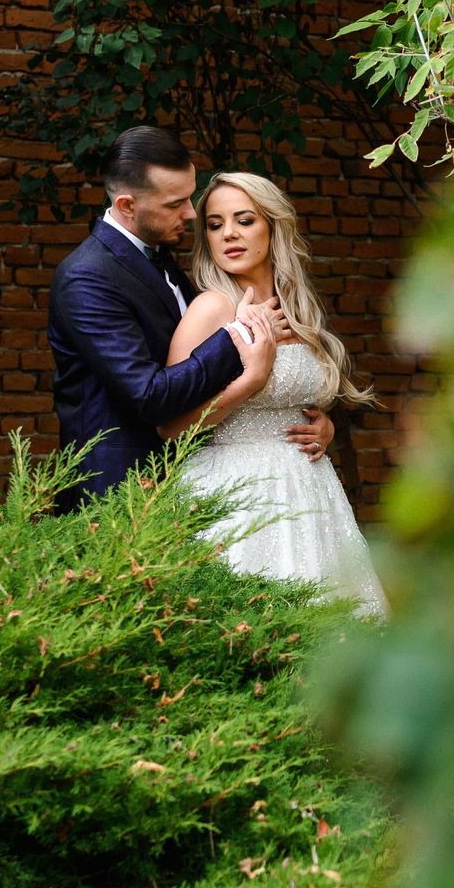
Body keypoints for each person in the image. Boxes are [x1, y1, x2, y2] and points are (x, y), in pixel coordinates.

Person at [46, 126, 333, 510]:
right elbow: (150, 397)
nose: (189, 213)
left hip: (196, 483)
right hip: (117, 492)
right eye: (174, 204)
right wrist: (238, 338)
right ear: (128, 206)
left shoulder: (162, 263)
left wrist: (322, 425)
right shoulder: (87, 277)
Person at [160, 170, 387, 617]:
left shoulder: (296, 306)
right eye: (215, 223)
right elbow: (170, 425)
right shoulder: (211, 308)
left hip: (311, 493)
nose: (229, 234)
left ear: (272, 225)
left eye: (244, 220)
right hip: (236, 492)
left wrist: (325, 423)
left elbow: (301, 396)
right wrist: (251, 381)